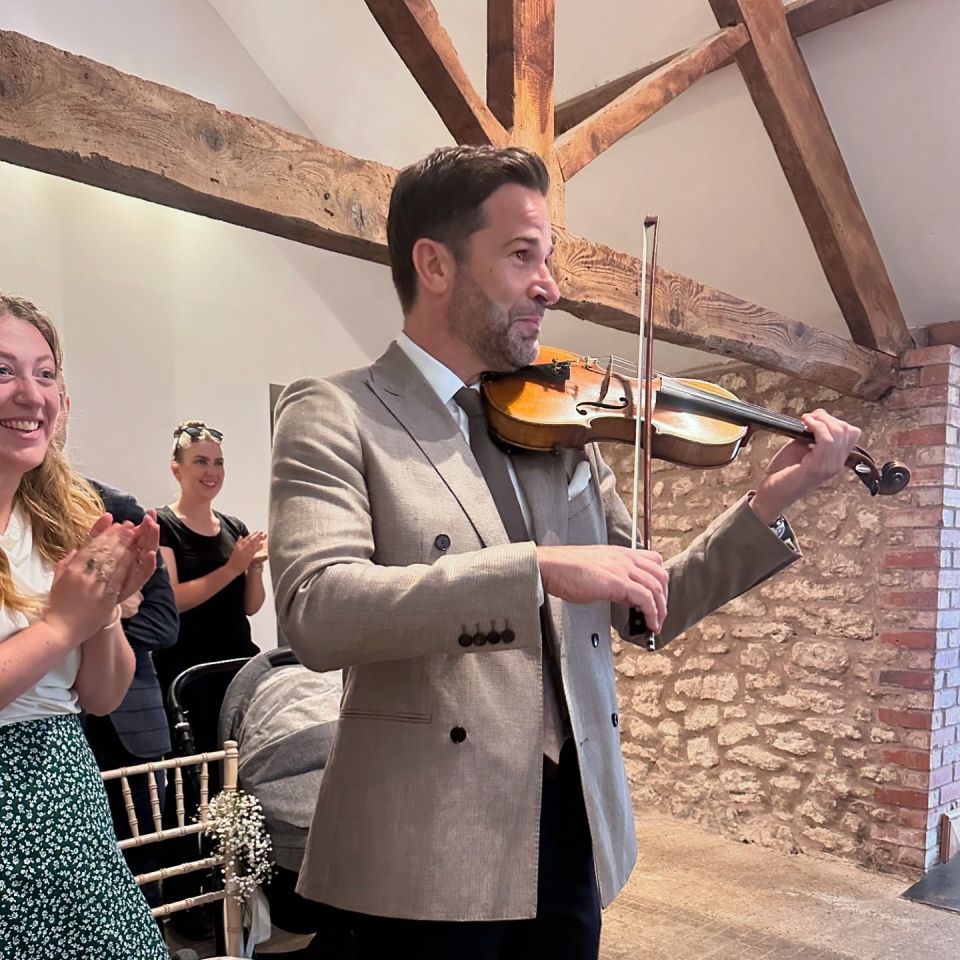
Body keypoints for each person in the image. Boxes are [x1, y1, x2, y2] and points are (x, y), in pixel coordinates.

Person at [268, 146, 861, 960]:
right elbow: (317, 613)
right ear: (434, 264)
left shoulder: (561, 431)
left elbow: (649, 605)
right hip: (422, 846)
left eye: (546, 258)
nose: (550, 285)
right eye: (522, 256)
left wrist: (774, 499)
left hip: (568, 829)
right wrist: (536, 569)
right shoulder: (335, 412)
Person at [0, 293, 167, 959]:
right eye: (2, 371)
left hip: (68, 796)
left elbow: (100, 698)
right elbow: (57, 639)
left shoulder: (56, 520)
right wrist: (65, 626)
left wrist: (106, 612)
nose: (30, 394)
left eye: (45, 374)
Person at [53, 378, 180, 908]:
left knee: (145, 876)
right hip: (52, 739)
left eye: (47, 380)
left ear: (64, 406)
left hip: (131, 717)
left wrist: (91, 619)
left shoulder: (113, 505)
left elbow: (164, 622)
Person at [153, 420, 267, 940]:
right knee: (195, 785)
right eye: (200, 461)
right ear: (177, 468)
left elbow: (250, 606)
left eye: (218, 462)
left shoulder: (233, 525)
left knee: (242, 780)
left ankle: (243, 886)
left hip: (236, 672)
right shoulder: (162, 526)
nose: (212, 471)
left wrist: (254, 570)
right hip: (187, 679)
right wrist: (233, 565)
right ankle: (190, 900)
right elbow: (173, 602)